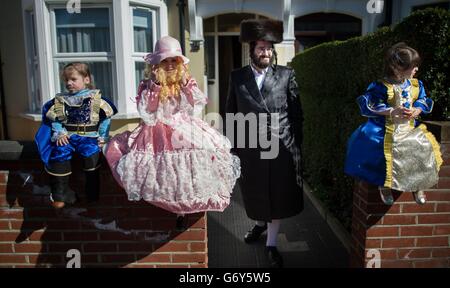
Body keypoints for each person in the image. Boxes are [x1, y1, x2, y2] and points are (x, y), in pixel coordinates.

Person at [104, 36, 240, 228]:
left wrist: (185, 86)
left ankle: (184, 208)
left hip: (183, 125)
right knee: (163, 169)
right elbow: (149, 115)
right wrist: (155, 88)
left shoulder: (186, 83)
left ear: (179, 63)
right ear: (156, 64)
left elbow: (193, 109)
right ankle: (175, 209)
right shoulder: (148, 85)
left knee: (198, 156)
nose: (169, 65)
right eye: (164, 61)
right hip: (156, 129)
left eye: (173, 60)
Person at [225, 19, 304, 268]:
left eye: (269, 48)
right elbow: (231, 114)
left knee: (278, 195)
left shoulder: (286, 75)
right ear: (252, 50)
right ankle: (260, 225)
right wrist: (233, 149)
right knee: (257, 194)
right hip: (251, 148)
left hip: (282, 148)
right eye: (261, 48)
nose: (266, 53)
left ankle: (271, 243)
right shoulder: (237, 77)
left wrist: (296, 149)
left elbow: (297, 114)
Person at [345, 42, 442, 206]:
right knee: (382, 152)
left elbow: (423, 99)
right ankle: (384, 185)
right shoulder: (381, 86)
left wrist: (417, 110)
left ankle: (418, 185)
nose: (416, 69)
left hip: (409, 128)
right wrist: (391, 111)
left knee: (422, 147)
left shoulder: (416, 85)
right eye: (413, 66)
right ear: (397, 68)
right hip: (385, 128)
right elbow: (370, 103)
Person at [35, 62, 118, 209]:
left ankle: (92, 195)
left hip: (89, 137)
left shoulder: (96, 99)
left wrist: (102, 138)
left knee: (92, 156)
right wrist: (59, 133)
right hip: (68, 136)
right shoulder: (60, 101)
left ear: (86, 79)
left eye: (73, 79)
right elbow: (56, 119)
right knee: (60, 152)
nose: (69, 83)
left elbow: (105, 119)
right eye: (66, 80)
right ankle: (60, 193)